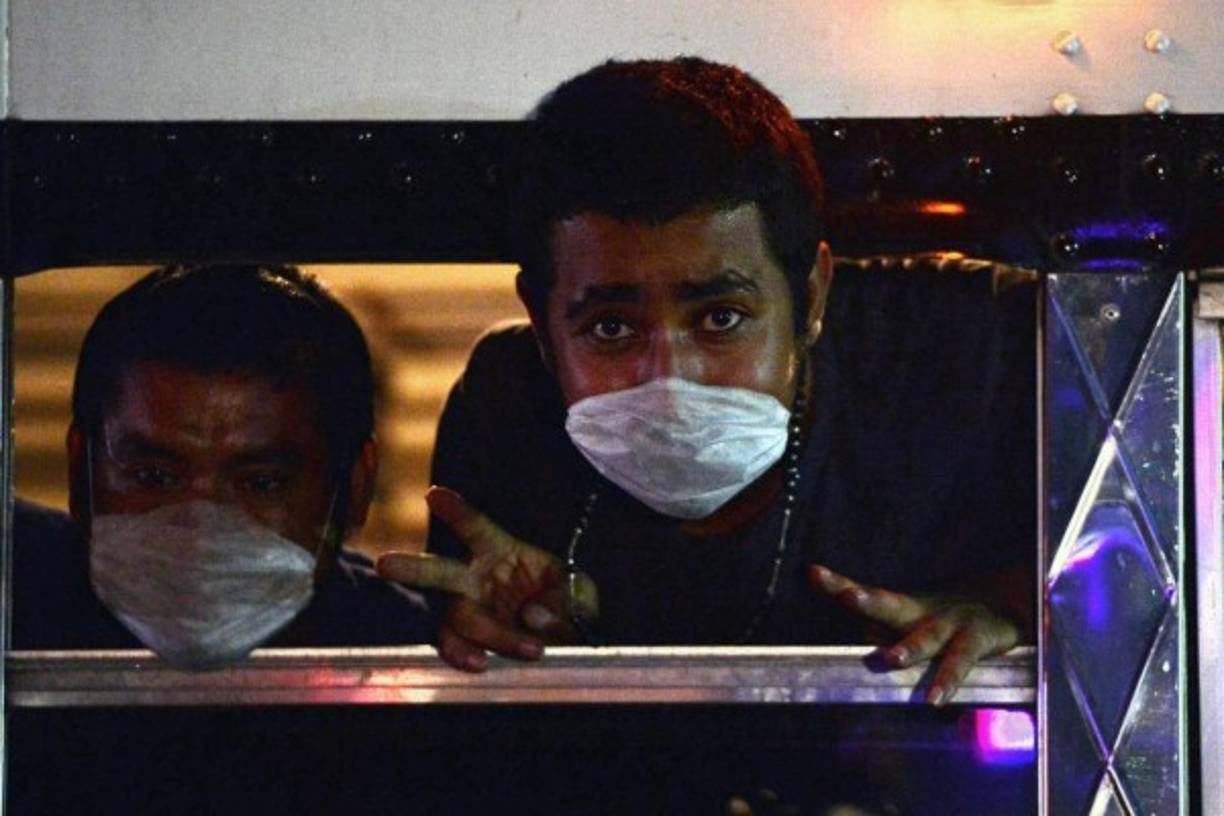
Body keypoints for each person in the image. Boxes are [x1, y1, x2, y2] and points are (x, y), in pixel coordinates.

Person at [379, 57, 1033, 704]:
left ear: (810, 297)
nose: (671, 378)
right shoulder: (506, 409)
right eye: (611, 328)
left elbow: (1123, 552)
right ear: (541, 326)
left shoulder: (972, 348)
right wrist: (530, 641)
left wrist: (1016, 609)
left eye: (721, 317)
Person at [13, 263, 430, 668]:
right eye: (153, 477)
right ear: (79, 468)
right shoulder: (15, 602)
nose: (200, 535)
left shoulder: (422, 658)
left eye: (261, 484)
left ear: (356, 485)